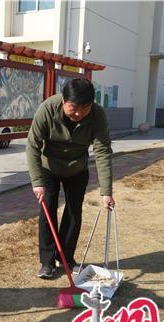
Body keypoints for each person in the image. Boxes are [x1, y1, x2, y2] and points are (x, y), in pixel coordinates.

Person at [26, 78, 114, 279]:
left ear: (91, 104)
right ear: (64, 101)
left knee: (74, 212)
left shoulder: (98, 115)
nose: (78, 113)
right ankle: (47, 262)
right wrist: (37, 182)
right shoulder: (48, 108)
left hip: (77, 168)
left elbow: (102, 151)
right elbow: (33, 145)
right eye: (73, 108)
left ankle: (66, 258)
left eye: (84, 108)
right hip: (49, 167)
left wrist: (106, 191)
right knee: (48, 211)